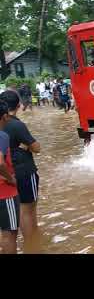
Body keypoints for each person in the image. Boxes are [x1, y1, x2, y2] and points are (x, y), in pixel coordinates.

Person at [0, 90, 41, 249]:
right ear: (18, 105)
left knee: (13, 220)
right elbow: (36, 148)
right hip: (23, 172)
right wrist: (26, 146)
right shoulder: (16, 125)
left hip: (8, 176)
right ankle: (32, 245)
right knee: (28, 210)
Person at [0, 100, 19, 254]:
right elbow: (0, 162)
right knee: (10, 233)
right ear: (5, 116)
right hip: (5, 192)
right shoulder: (2, 136)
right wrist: (11, 179)